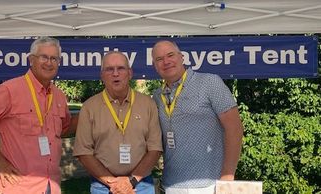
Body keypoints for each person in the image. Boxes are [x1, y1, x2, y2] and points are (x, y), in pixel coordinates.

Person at [0, 37, 71, 194]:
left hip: (51, 185)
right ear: (31, 60)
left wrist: (91, 114)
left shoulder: (59, 96)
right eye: (44, 57)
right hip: (19, 186)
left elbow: (64, 129)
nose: (49, 63)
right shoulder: (9, 90)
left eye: (54, 58)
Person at [151, 40, 244, 194]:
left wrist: (227, 177)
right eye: (159, 59)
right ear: (155, 65)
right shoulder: (157, 96)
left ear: (181, 57)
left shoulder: (210, 82)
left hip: (211, 185)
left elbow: (235, 128)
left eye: (170, 55)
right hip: (171, 185)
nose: (166, 62)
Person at [73, 51, 162, 194]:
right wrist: (113, 183)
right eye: (109, 69)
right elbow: (83, 152)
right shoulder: (89, 107)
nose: (115, 73)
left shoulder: (148, 104)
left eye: (120, 68)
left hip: (141, 185)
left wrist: (131, 181)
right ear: (102, 75)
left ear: (130, 73)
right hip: (103, 186)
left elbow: (155, 148)